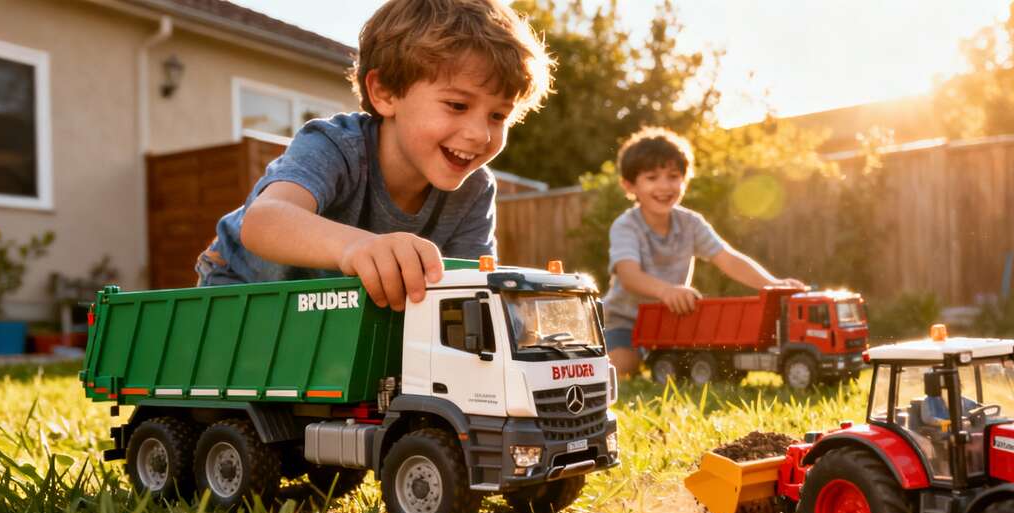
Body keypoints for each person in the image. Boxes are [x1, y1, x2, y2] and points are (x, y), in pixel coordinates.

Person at [195, 0, 552, 311]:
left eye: (498, 115)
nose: (481, 134)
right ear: (384, 92)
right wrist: (357, 247)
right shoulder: (335, 145)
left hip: (335, 309)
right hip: (243, 289)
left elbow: (469, 289)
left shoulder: (474, 191)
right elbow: (263, 222)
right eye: (457, 105)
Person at [601, 126, 805, 377]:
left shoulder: (691, 223)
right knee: (621, 367)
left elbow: (728, 259)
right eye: (652, 178)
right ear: (629, 185)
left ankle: (651, 356)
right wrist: (666, 290)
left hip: (673, 320)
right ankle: (630, 354)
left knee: (701, 361)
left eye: (673, 176)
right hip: (625, 321)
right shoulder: (626, 225)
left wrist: (773, 285)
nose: (664, 186)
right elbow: (629, 275)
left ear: (685, 180)